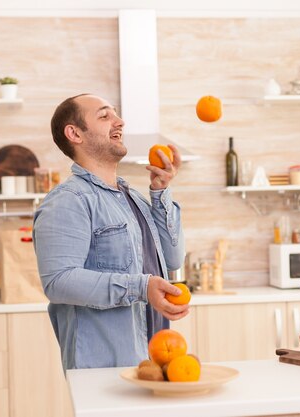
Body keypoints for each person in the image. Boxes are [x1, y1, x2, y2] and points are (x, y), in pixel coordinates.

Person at [33, 93, 188, 370]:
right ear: (75, 133)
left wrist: (160, 190)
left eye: (115, 114)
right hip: (104, 368)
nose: (120, 122)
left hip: (155, 359)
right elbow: (58, 281)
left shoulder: (133, 198)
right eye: (105, 116)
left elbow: (172, 260)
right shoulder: (69, 200)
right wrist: (141, 287)